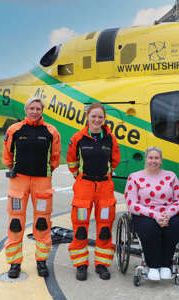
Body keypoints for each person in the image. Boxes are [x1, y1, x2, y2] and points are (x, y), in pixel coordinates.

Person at [2, 96, 61, 279]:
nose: (35, 111)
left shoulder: (51, 131)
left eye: (38, 108)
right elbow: (7, 155)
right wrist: (12, 169)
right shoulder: (14, 129)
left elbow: (55, 158)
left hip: (42, 181)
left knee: (42, 222)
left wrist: (45, 172)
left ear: (42, 110)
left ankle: (41, 262)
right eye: (32, 108)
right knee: (15, 222)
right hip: (18, 180)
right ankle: (14, 263)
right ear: (26, 109)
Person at [67, 102, 120, 281]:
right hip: (84, 186)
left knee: (105, 226)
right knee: (80, 227)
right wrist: (80, 178)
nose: (97, 119)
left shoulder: (111, 139)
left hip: (105, 186)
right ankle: (81, 265)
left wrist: (103, 177)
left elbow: (115, 160)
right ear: (88, 117)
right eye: (94, 116)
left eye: (100, 116)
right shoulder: (78, 138)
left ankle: (102, 264)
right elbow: (72, 162)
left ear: (104, 119)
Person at [124, 146, 179, 281]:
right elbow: (131, 204)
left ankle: (165, 264)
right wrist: (155, 215)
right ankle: (153, 265)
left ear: (161, 160)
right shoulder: (134, 177)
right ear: (145, 159)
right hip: (145, 214)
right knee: (150, 228)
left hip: (167, 213)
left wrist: (167, 214)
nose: (154, 161)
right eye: (151, 158)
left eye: (156, 158)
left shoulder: (171, 176)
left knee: (175, 226)